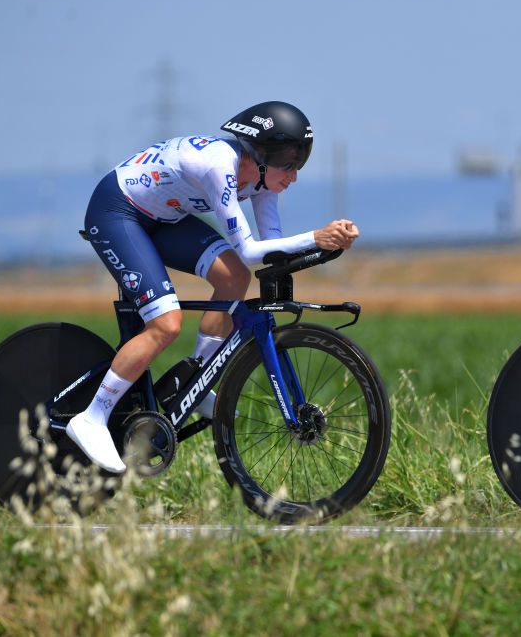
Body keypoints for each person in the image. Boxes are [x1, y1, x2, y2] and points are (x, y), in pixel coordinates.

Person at [69, 101, 359, 473]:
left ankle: (197, 381)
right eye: (289, 164)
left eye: (299, 165)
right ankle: (92, 418)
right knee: (166, 323)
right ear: (261, 156)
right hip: (117, 212)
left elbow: (272, 248)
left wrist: (323, 245)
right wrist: (318, 236)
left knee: (234, 278)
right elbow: (252, 250)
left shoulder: (262, 181)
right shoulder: (219, 166)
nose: (294, 175)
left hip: (163, 218)